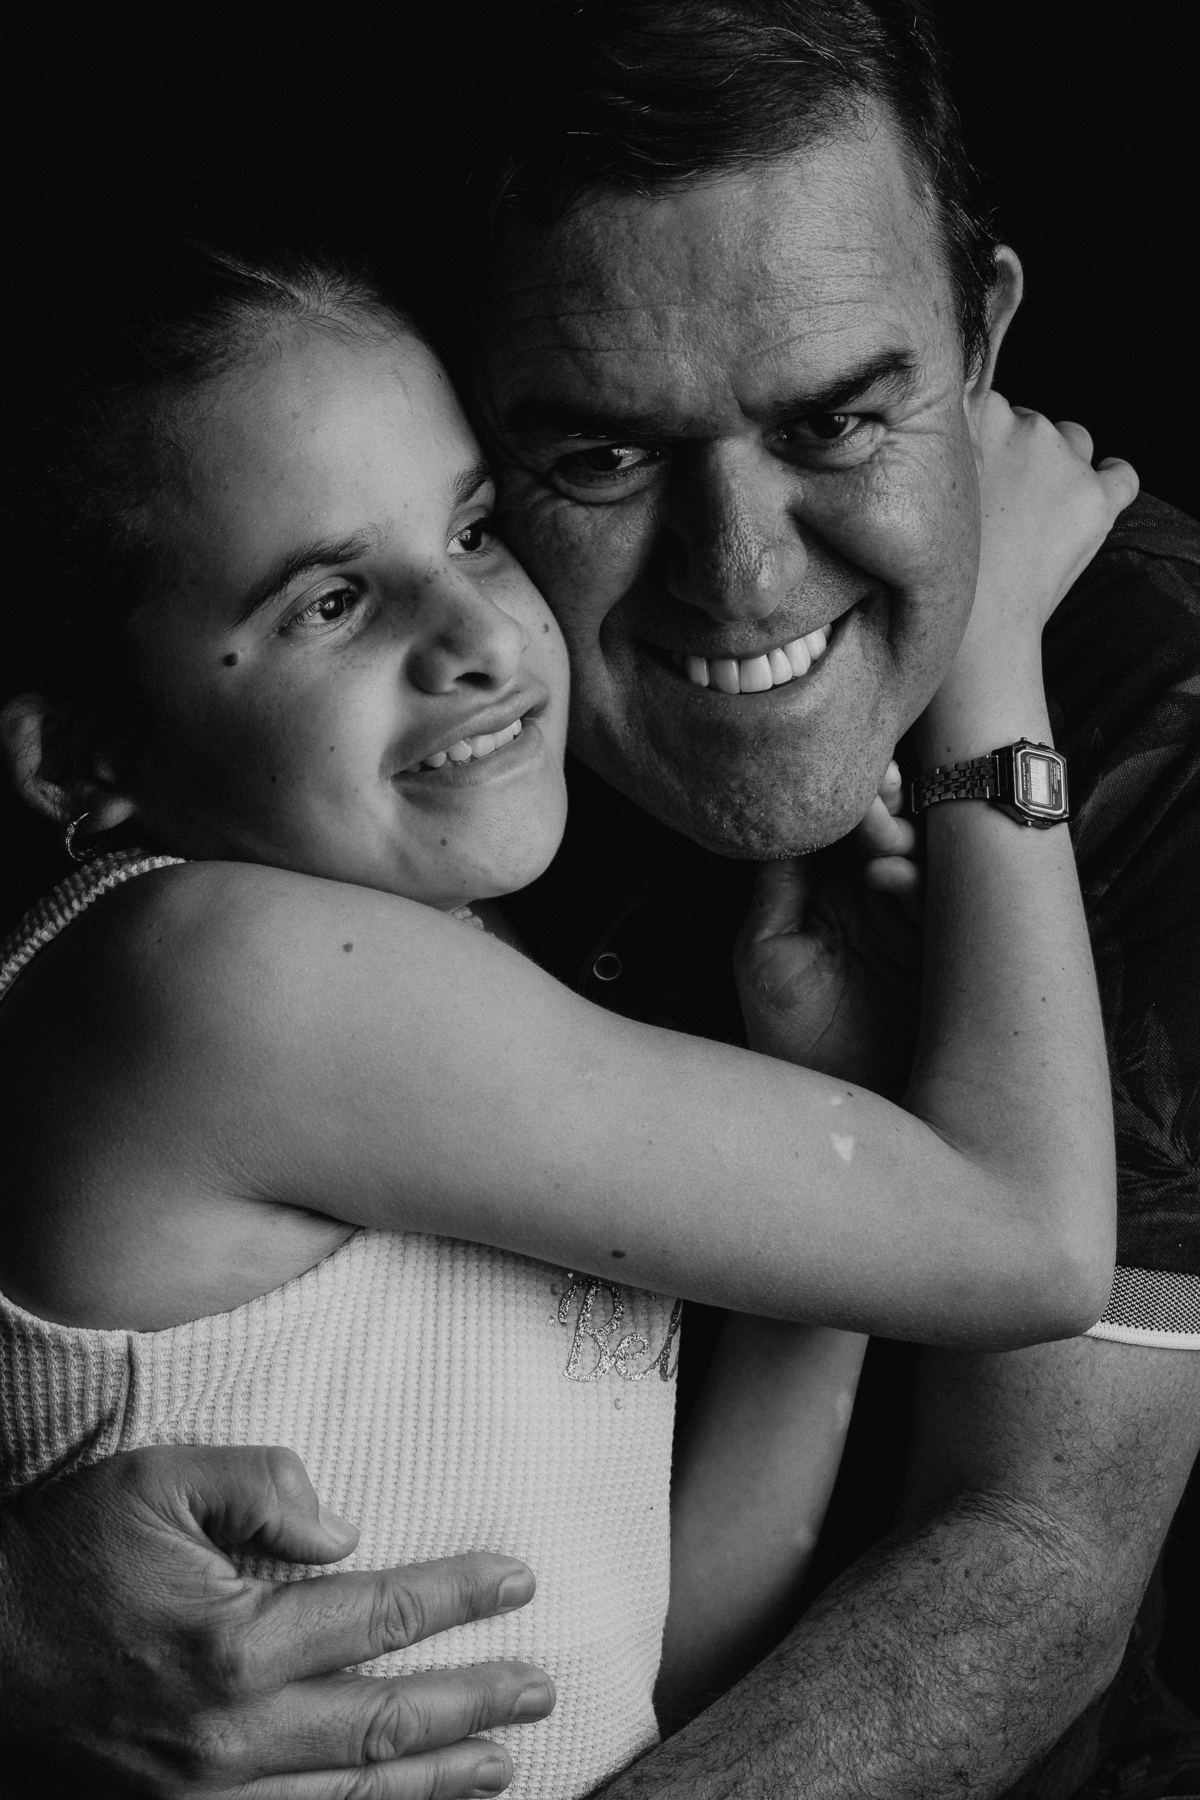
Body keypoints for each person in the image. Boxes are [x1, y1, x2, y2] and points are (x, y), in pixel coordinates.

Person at [1, 2, 1196, 1796]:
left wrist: (823, 1151)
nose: (739, 576)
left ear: (983, 349)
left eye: (841, 419)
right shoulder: (248, 955)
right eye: (597, 458)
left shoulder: (1159, 697)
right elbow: (1021, 1240)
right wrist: (990, 672)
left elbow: (880, 1591)